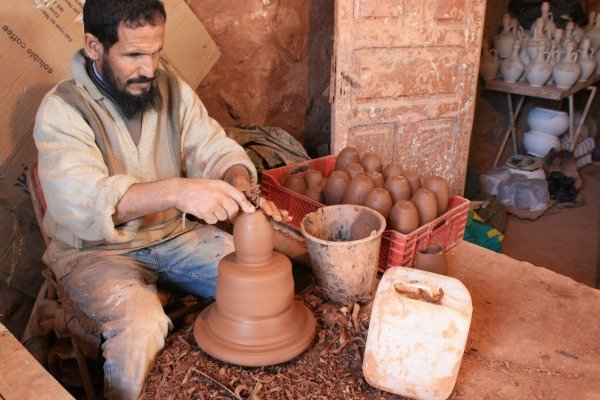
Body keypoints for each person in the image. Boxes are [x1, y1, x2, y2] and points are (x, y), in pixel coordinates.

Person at [32, 0, 288, 398]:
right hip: (94, 252)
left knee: (262, 279)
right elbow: (83, 202)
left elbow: (212, 148)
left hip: (171, 236)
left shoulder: (171, 90)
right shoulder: (62, 110)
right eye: (133, 54)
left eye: (156, 52)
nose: (149, 69)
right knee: (141, 323)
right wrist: (178, 190)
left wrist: (238, 182)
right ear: (94, 45)